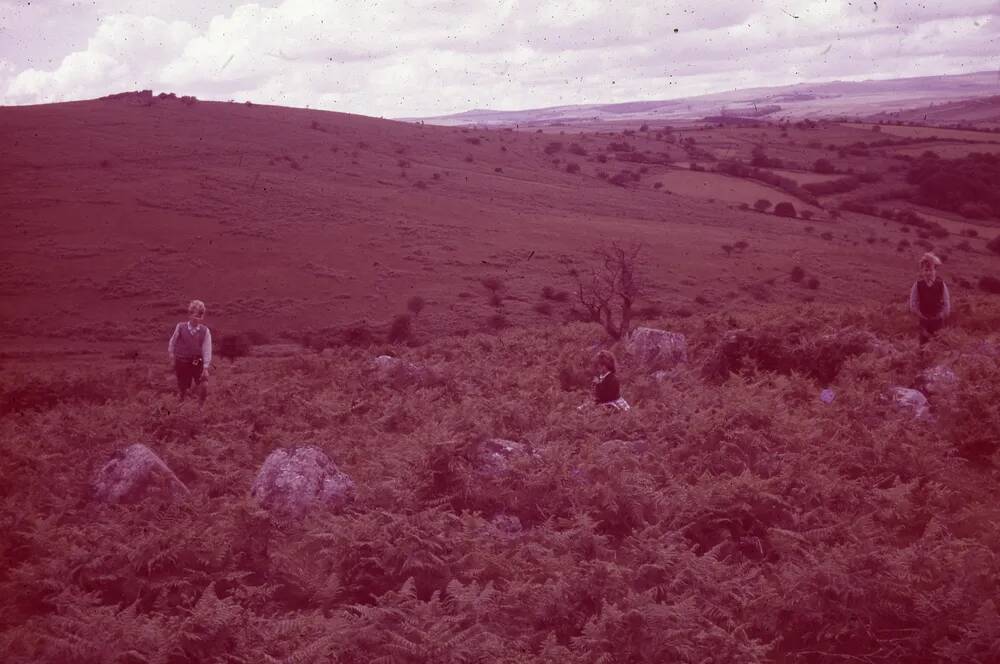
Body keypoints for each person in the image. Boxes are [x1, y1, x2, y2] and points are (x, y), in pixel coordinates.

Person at [168, 299, 212, 402]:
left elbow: (207, 349)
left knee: (203, 384)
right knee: (183, 387)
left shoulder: (205, 331)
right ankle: (182, 406)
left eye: (200, 316)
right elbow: (173, 341)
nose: (197, 319)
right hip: (182, 361)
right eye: (196, 315)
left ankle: (200, 407)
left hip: (197, 362)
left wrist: (205, 368)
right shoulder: (180, 327)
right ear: (190, 314)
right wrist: (171, 355)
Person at [908, 252, 950, 346]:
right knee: (923, 346)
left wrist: (941, 315)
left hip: (938, 321)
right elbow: (913, 303)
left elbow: (946, 303)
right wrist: (920, 314)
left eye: (930, 270)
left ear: (935, 270)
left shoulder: (941, 284)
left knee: (938, 345)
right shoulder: (918, 285)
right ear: (922, 271)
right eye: (926, 270)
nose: (928, 273)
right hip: (923, 321)